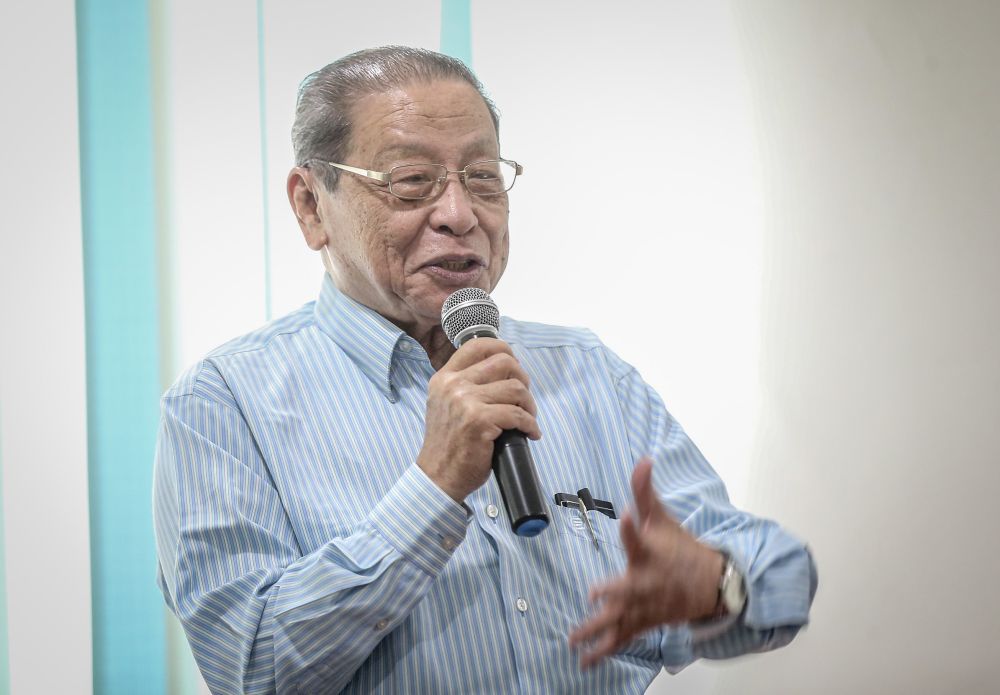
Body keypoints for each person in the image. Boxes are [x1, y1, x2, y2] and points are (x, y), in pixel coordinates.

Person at [153, 45, 817, 694]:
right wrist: (432, 488)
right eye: (411, 181)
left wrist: (719, 585)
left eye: (482, 178)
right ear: (310, 204)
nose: (459, 214)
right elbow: (254, 666)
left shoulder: (589, 374)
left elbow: (783, 577)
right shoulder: (222, 405)